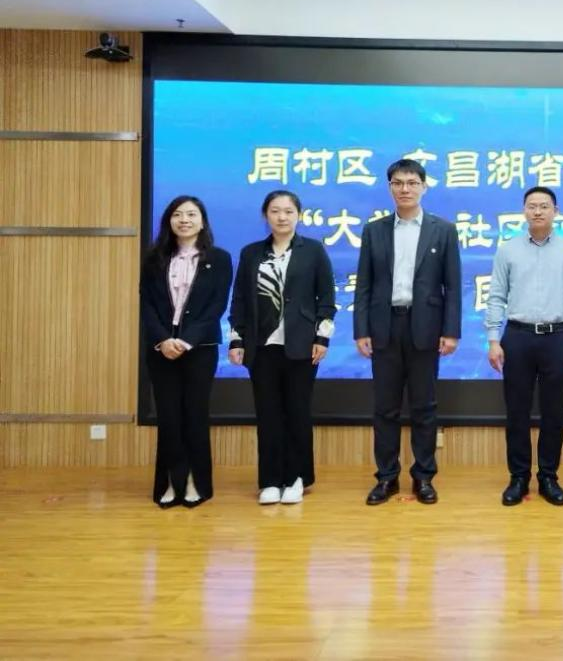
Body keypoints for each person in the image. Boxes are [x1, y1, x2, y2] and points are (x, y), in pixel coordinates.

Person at [354, 159, 461, 506]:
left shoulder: (443, 230)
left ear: (424, 187)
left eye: (412, 183)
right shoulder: (374, 230)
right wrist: (361, 330)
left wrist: (451, 331)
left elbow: (453, 286)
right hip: (384, 326)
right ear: (389, 188)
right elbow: (364, 285)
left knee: (424, 407)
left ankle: (423, 476)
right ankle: (387, 478)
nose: (405, 189)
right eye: (398, 183)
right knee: (384, 408)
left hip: (425, 327)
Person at [228, 190, 336, 505]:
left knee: (298, 412)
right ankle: (270, 481)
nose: (282, 217)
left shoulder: (313, 251)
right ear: (266, 215)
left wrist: (322, 338)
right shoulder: (251, 253)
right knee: (268, 414)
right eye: (275, 211)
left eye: (288, 211)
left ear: (298, 215)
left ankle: (297, 477)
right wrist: (236, 339)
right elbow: (240, 299)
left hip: (302, 346)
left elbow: (326, 299)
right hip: (261, 347)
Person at [485, 186, 563, 507]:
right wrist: (493, 339)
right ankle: (518, 477)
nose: (538, 211)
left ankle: (548, 476)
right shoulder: (507, 250)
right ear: (524, 211)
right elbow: (496, 296)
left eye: (544, 206)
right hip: (517, 337)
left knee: (553, 413)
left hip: (558, 338)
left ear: (555, 211)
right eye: (532, 206)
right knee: (516, 412)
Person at [140, 195, 232, 509]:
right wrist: (163, 340)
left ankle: (195, 482)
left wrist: (187, 341)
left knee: (194, 415)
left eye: (192, 214)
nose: (184, 220)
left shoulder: (219, 259)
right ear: (169, 220)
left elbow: (216, 306)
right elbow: (147, 304)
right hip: (160, 348)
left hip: (200, 348)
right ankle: (169, 482)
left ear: (202, 221)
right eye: (178, 214)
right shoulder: (154, 258)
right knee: (168, 417)